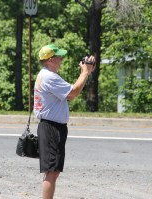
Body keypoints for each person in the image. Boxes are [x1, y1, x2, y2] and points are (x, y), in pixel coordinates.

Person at [34, 44, 95, 198]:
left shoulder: (46, 74)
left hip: (52, 126)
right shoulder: (49, 77)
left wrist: (85, 72)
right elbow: (73, 93)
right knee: (52, 170)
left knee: (53, 170)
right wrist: (85, 72)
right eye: (59, 57)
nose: (61, 60)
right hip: (51, 127)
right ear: (51, 60)